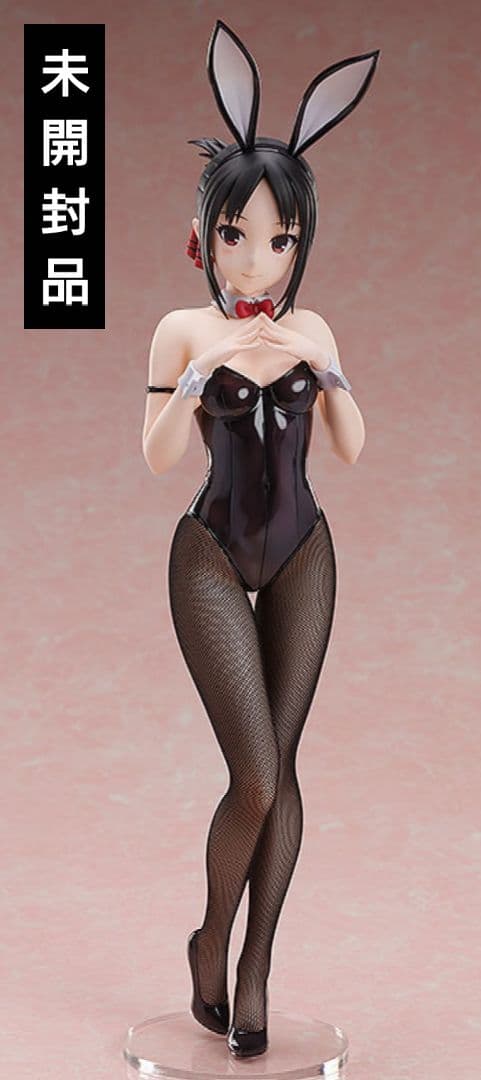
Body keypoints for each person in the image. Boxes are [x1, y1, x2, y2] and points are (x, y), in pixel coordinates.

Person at [142, 19, 380, 1059]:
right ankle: (208, 939)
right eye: (238, 234)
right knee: (253, 775)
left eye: (280, 241)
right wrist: (195, 381)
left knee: (285, 766)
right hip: (209, 550)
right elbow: (158, 457)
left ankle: (254, 969)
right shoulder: (183, 330)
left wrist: (327, 375)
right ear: (206, 232)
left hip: (302, 552)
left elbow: (352, 449)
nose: (259, 259)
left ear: (301, 243)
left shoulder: (310, 328)